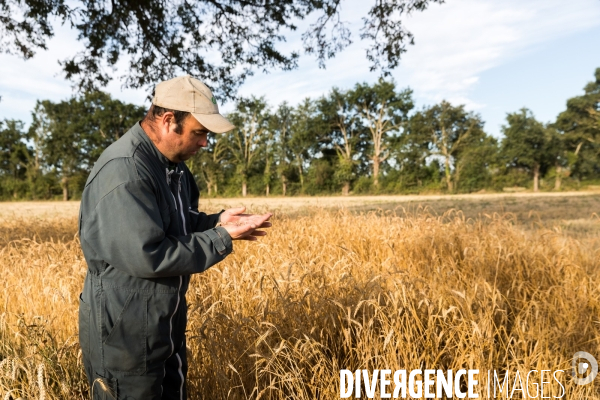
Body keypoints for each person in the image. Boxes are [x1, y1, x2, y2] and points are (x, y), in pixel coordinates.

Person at [78, 75, 273, 399]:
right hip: (124, 336)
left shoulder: (172, 166)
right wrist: (220, 237)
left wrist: (216, 221)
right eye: (200, 132)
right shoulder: (125, 171)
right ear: (169, 121)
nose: (205, 143)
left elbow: (168, 223)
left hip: (161, 325)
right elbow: (148, 253)